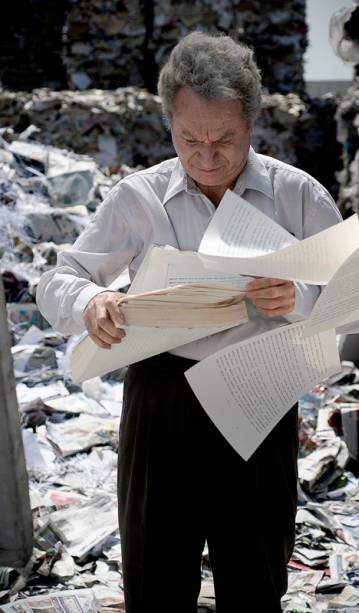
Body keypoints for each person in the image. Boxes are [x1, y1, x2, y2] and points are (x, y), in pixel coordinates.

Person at [36, 32, 342, 613]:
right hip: (163, 399)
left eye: (224, 139)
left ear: (251, 122)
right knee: (156, 579)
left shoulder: (297, 195)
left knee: (255, 580)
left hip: (260, 394)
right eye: (189, 139)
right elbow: (60, 277)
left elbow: (355, 300)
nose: (206, 157)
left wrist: (298, 295)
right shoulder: (138, 197)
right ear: (168, 125)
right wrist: (90, 302)